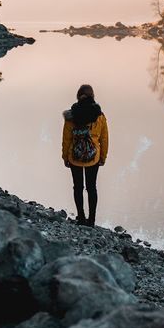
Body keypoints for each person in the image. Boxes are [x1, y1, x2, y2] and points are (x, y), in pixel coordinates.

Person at [62, 83, 108, 226]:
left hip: (74, 156)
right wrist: (103, 157)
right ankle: (92, 220)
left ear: (78, 96)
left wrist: (65, 157)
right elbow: (104, 138)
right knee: (91, 187)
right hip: (93, 157)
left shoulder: (71, 115)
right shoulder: (99, 115)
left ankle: (81, 218)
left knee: (78, 187)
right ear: (92, 96)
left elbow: (66, 138)